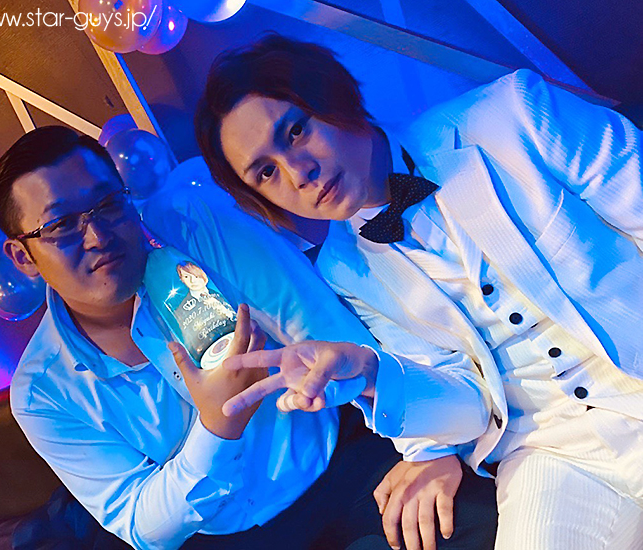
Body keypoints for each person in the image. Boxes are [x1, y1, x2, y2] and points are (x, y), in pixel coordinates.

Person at [194, 33, 643, 550]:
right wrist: (371, 373)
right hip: (553, 448)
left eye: (296, 131)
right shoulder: (343, 271)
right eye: (266, 172)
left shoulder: (511, 114)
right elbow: (470, 406)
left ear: (331, 94)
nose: (299, 173)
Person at [0, 126, 496, 550]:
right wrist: (216, 426)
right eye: (61, 225)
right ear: (22, 256)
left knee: (472, 522)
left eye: (106, 204)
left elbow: (334, 336)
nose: (98, 235)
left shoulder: (197, 226)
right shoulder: (42, 392)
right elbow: (140, 523)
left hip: (336, 461)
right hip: (220, 534)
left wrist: (426, 448)